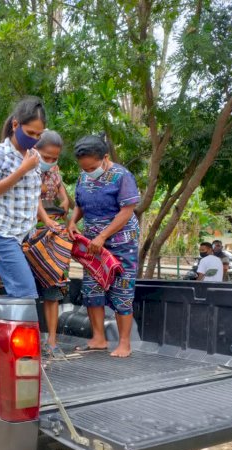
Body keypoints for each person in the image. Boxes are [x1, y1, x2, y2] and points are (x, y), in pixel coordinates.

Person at [67, 135, 140, 358]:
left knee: (122, 289)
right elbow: (80, 204)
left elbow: (127, 211)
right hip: (93, 244)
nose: (88, 171)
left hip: (121, 242)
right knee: (92, 289)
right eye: (84, 168)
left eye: (92, 167)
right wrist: (72, 221)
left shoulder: (122, 176)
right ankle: (99, 338)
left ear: (105, 158)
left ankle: (124, 343)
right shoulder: (83, 177)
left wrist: (103, 236)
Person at [0, 96, 57, 298]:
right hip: (3, 233)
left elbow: (33, 196)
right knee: (25, 293)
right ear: (15, 125)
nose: (34, 138)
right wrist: (22, 170)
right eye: (30, 132)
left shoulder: (34, 156)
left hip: (27, 236)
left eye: (38, 134)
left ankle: (0, 326)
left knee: (35, 291)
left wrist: (46, 220)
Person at [35, 130, 70, 356]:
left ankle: (52, 341)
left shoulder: (55, 172)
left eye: (53, 158)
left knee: (53, 291)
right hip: (32, 234)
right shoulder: (26, 170)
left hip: (53, 234)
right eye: (45, 157)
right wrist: (45, 219)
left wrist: (65, 201)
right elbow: (32, 198)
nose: (49, 162)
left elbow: (62, 195)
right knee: (29, 291)